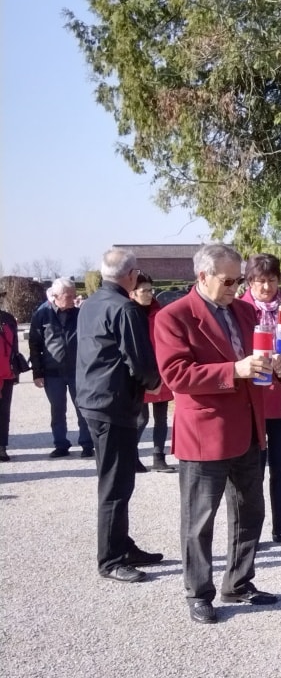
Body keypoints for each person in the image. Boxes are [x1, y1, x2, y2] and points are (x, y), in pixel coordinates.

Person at [154, 243, 281, 624]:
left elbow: (257, 358)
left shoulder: (245, 311)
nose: (235, 288)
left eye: (238, 280)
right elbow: (176, 375)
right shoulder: (174, 316)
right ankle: (198, 592)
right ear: (202, 276)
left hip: (248, 429)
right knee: (199, 520)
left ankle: (239, 582)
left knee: (250, 512)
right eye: (228, 281)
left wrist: (274, 363)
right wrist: (234, 370)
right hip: (204, 434)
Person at [75, 248, 165, 583]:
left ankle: (122, 545)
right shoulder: (125, 308)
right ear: (131, 275)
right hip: (113, 404)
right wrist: (155, 382)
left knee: (117, 480)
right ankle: (111, 559)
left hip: (95, 400)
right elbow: (138, 360)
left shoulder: (92, 303)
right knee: (115, 485)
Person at [238, 254, 281, 545]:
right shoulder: (240, 308)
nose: (266, 287)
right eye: (260, 281)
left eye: (272, 280)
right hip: (252, 400)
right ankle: (249, 534)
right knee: (252, 472)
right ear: (249, 282)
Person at [28, 278, 93, 458]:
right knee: (57, 410)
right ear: (56, 296)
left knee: (83, 409)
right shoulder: (42, 315)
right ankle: (61, 444)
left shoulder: (81, 314)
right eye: (69, 296)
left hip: (78, 372)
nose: (73, 299)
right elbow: (35, 345)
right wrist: (37, 373)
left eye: (74, 295)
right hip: (52, 373)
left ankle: (87, 444)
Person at [128, 273, 175, 473]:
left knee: (161, 418)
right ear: (133, 293)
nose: (149, 294)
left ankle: (158, 457)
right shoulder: (128, 313)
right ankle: (130, 456)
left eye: (150, 290)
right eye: (144, 291)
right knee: (141, 419)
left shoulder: (160, 312)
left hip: (160, 371)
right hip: (139, 373)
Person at [0, 295, 21, 462]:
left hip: (6, 373)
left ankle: (2, 446)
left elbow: (15, 347)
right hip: (6, 371)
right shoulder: (7, 318)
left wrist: (15, 372)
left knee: (3, 412)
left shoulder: (8, 318)